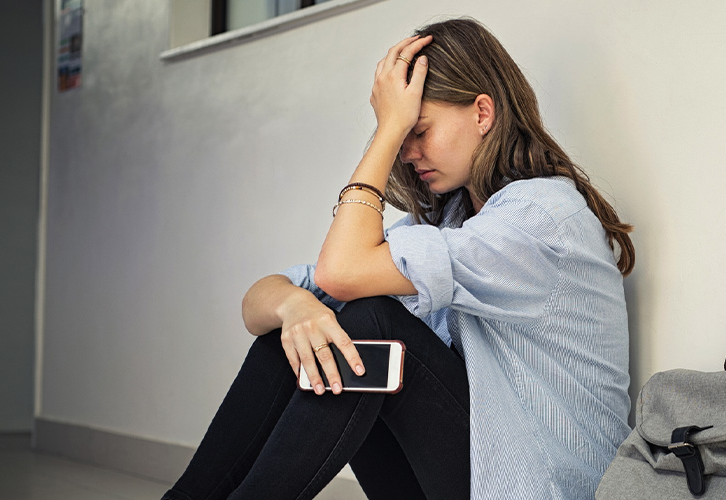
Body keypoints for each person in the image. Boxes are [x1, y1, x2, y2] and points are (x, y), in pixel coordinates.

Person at [163, 17, 634, 500]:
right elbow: (259, 301)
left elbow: (340, 273)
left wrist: (388, 128)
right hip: (474, 475)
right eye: (401, 135)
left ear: (482, 113)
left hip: (537, 487)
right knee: (299, 335)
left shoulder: (540, 217)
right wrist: (293, 308)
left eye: (418, 130)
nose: (407, 153)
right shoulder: (449, 224)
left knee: (370, 320)